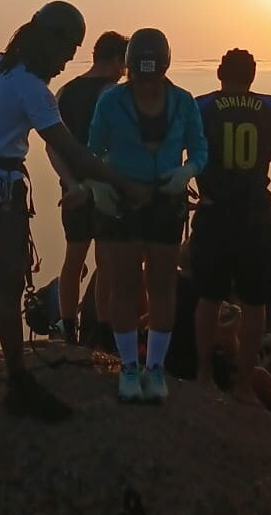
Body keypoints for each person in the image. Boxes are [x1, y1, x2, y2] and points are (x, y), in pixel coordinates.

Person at [0, 2, 150, 422]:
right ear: (49, 40)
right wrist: (122, 183)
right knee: (6, 285)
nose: (66, 61)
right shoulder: (31, 89)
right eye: (66, 49)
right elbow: (68, 147)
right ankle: (19, 385)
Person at [87, 28, 208, 402]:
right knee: (124, 285)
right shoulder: (110, 103)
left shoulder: (184, 103)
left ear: (165, 68)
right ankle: (128, 367)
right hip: (124, 201)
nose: (146, 83)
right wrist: (99, 186)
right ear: (129, 70)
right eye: (140, 75)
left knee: (161, 286)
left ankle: (155, 369)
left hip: (165, 201)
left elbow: (200, 151)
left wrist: (186, 172)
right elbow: (93, 150)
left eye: (152, 75)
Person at [190, 48, 271, 405]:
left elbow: (193, 149)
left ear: (219, 72)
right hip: (255, 211)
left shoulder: (202, 106)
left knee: (209, 295)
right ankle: (245, 384)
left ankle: (203, 374)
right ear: (253, 75)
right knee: (255, 301)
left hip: (215, 210)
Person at [46, 31, 129, 346]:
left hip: (73, 190)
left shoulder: (64, 92)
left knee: (73, 259)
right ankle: (102, 332)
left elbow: (52, 146)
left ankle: (70, 331)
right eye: (124, 64)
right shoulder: (114, 96)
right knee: (106, 262)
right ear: (115, 60)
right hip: (107, 191)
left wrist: (71, 184)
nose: (125, 72)